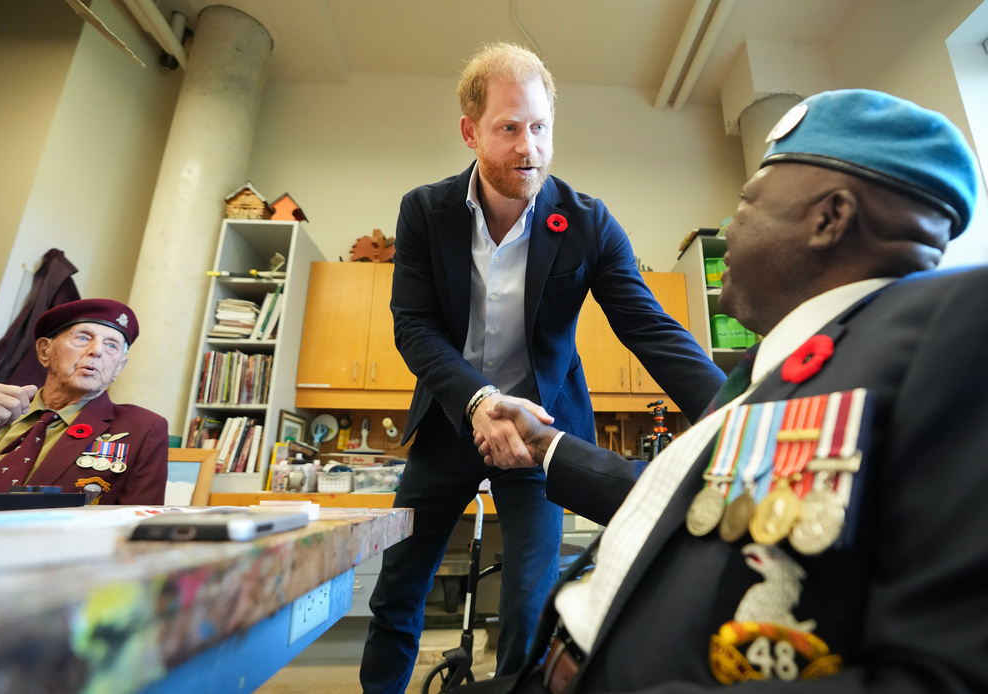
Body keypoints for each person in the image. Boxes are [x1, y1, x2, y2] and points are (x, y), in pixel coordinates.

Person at [465, 88, 986, 693]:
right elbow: (695, 507)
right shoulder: (781, 366)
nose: (730, 224)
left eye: (748, 200)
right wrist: (547, 445)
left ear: (830, 218)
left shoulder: (955, 330)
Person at [361, 42, 726, 693]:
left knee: (533, 601)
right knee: (397, 591)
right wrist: (478, 402)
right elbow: (413, 326)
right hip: (452, 423)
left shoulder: (587, 223)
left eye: (540, 127)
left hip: (540, 430)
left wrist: (740, 415)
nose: (528, 147)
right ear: (471, 131)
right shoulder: (425, 211)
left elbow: (648, 327)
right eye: (508, 128)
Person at [0, 298, 168, 504]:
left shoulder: (143, 429)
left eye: (111, 345)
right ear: (45, 351)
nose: (97, 351)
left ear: (119, 368)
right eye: (83, 338)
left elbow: (140, 521)